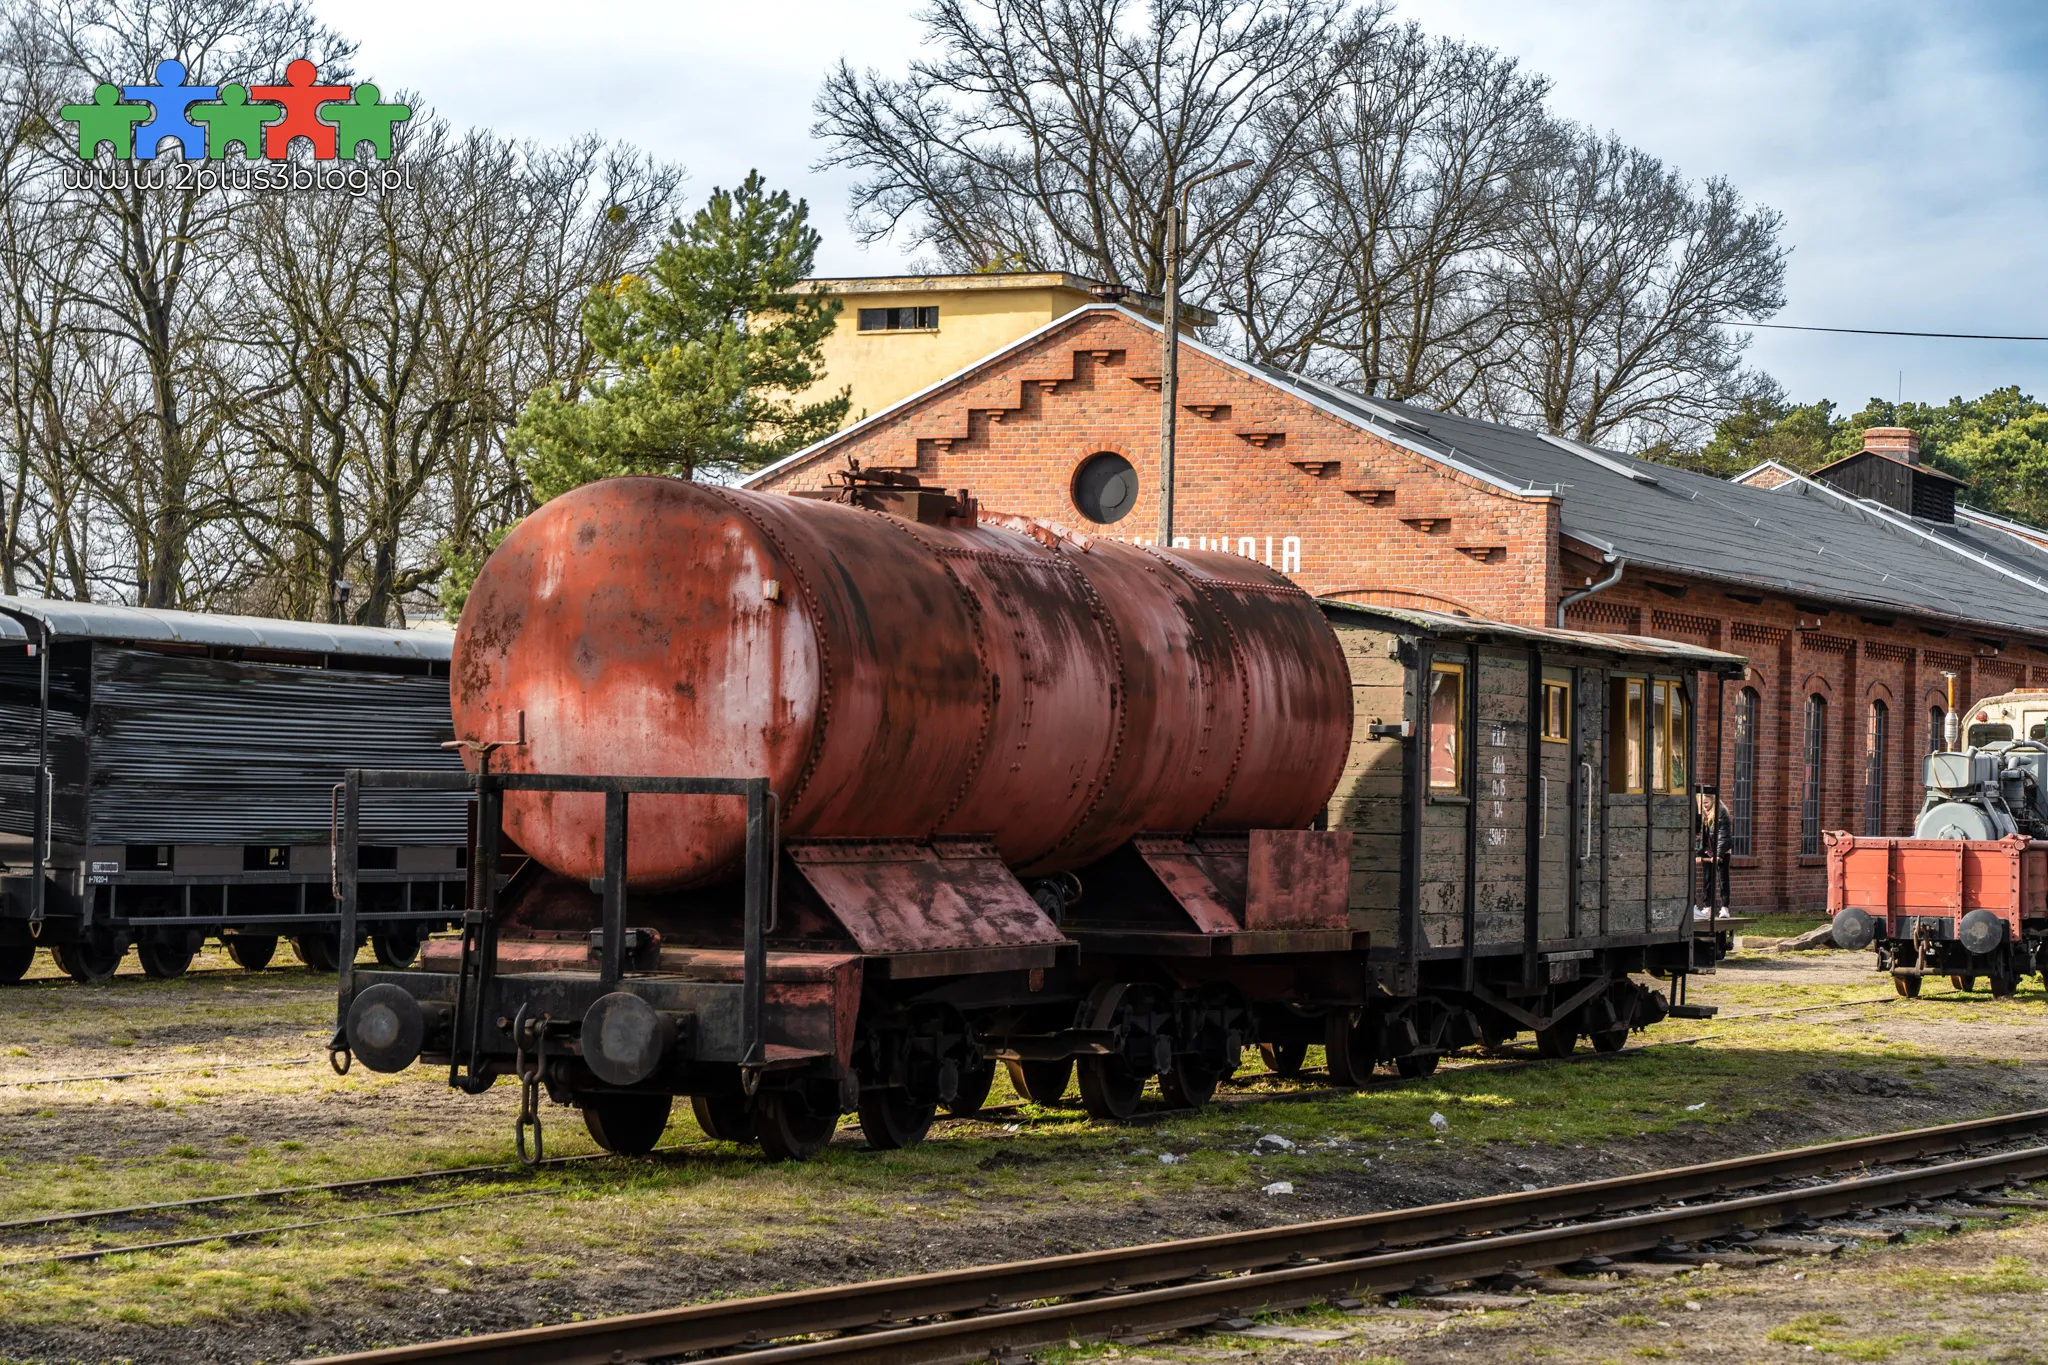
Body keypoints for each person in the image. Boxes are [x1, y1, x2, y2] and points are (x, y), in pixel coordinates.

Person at [1695, 787, 1732, 914]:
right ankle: (1707, 907)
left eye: (1706, 802)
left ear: (1713, 800)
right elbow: (1699, 836)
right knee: (1707, 879)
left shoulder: (1721, 813)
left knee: (1723, 879)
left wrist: (1719, 854)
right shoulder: (1701, 814)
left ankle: (1725, 907)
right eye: (1701, 803)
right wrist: (1699, 854)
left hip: (1721, 850)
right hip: (1707, 851)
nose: (1703, 805)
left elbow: (1723, 835)